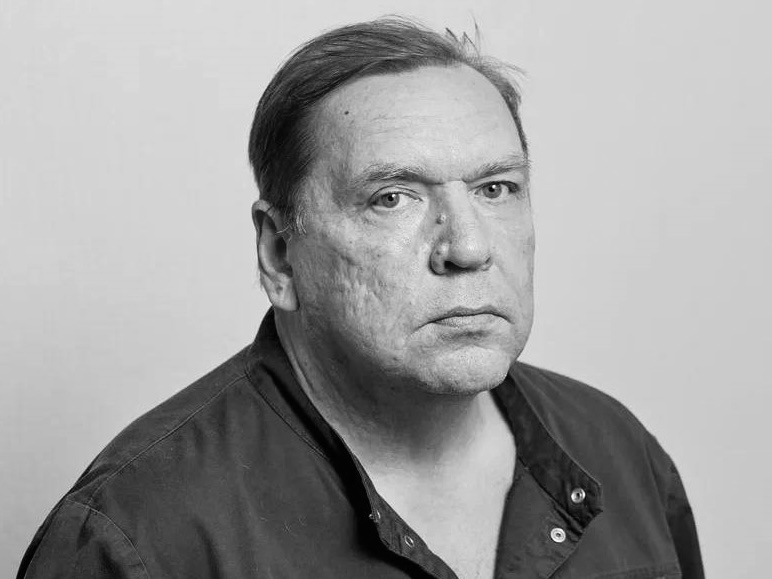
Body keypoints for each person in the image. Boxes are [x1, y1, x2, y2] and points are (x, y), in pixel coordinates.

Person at [17, 17, 704, 579]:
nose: (468, 247)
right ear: (279, 254)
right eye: (393, 197)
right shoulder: (139, 534)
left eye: (496, 188)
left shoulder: (620, 452)